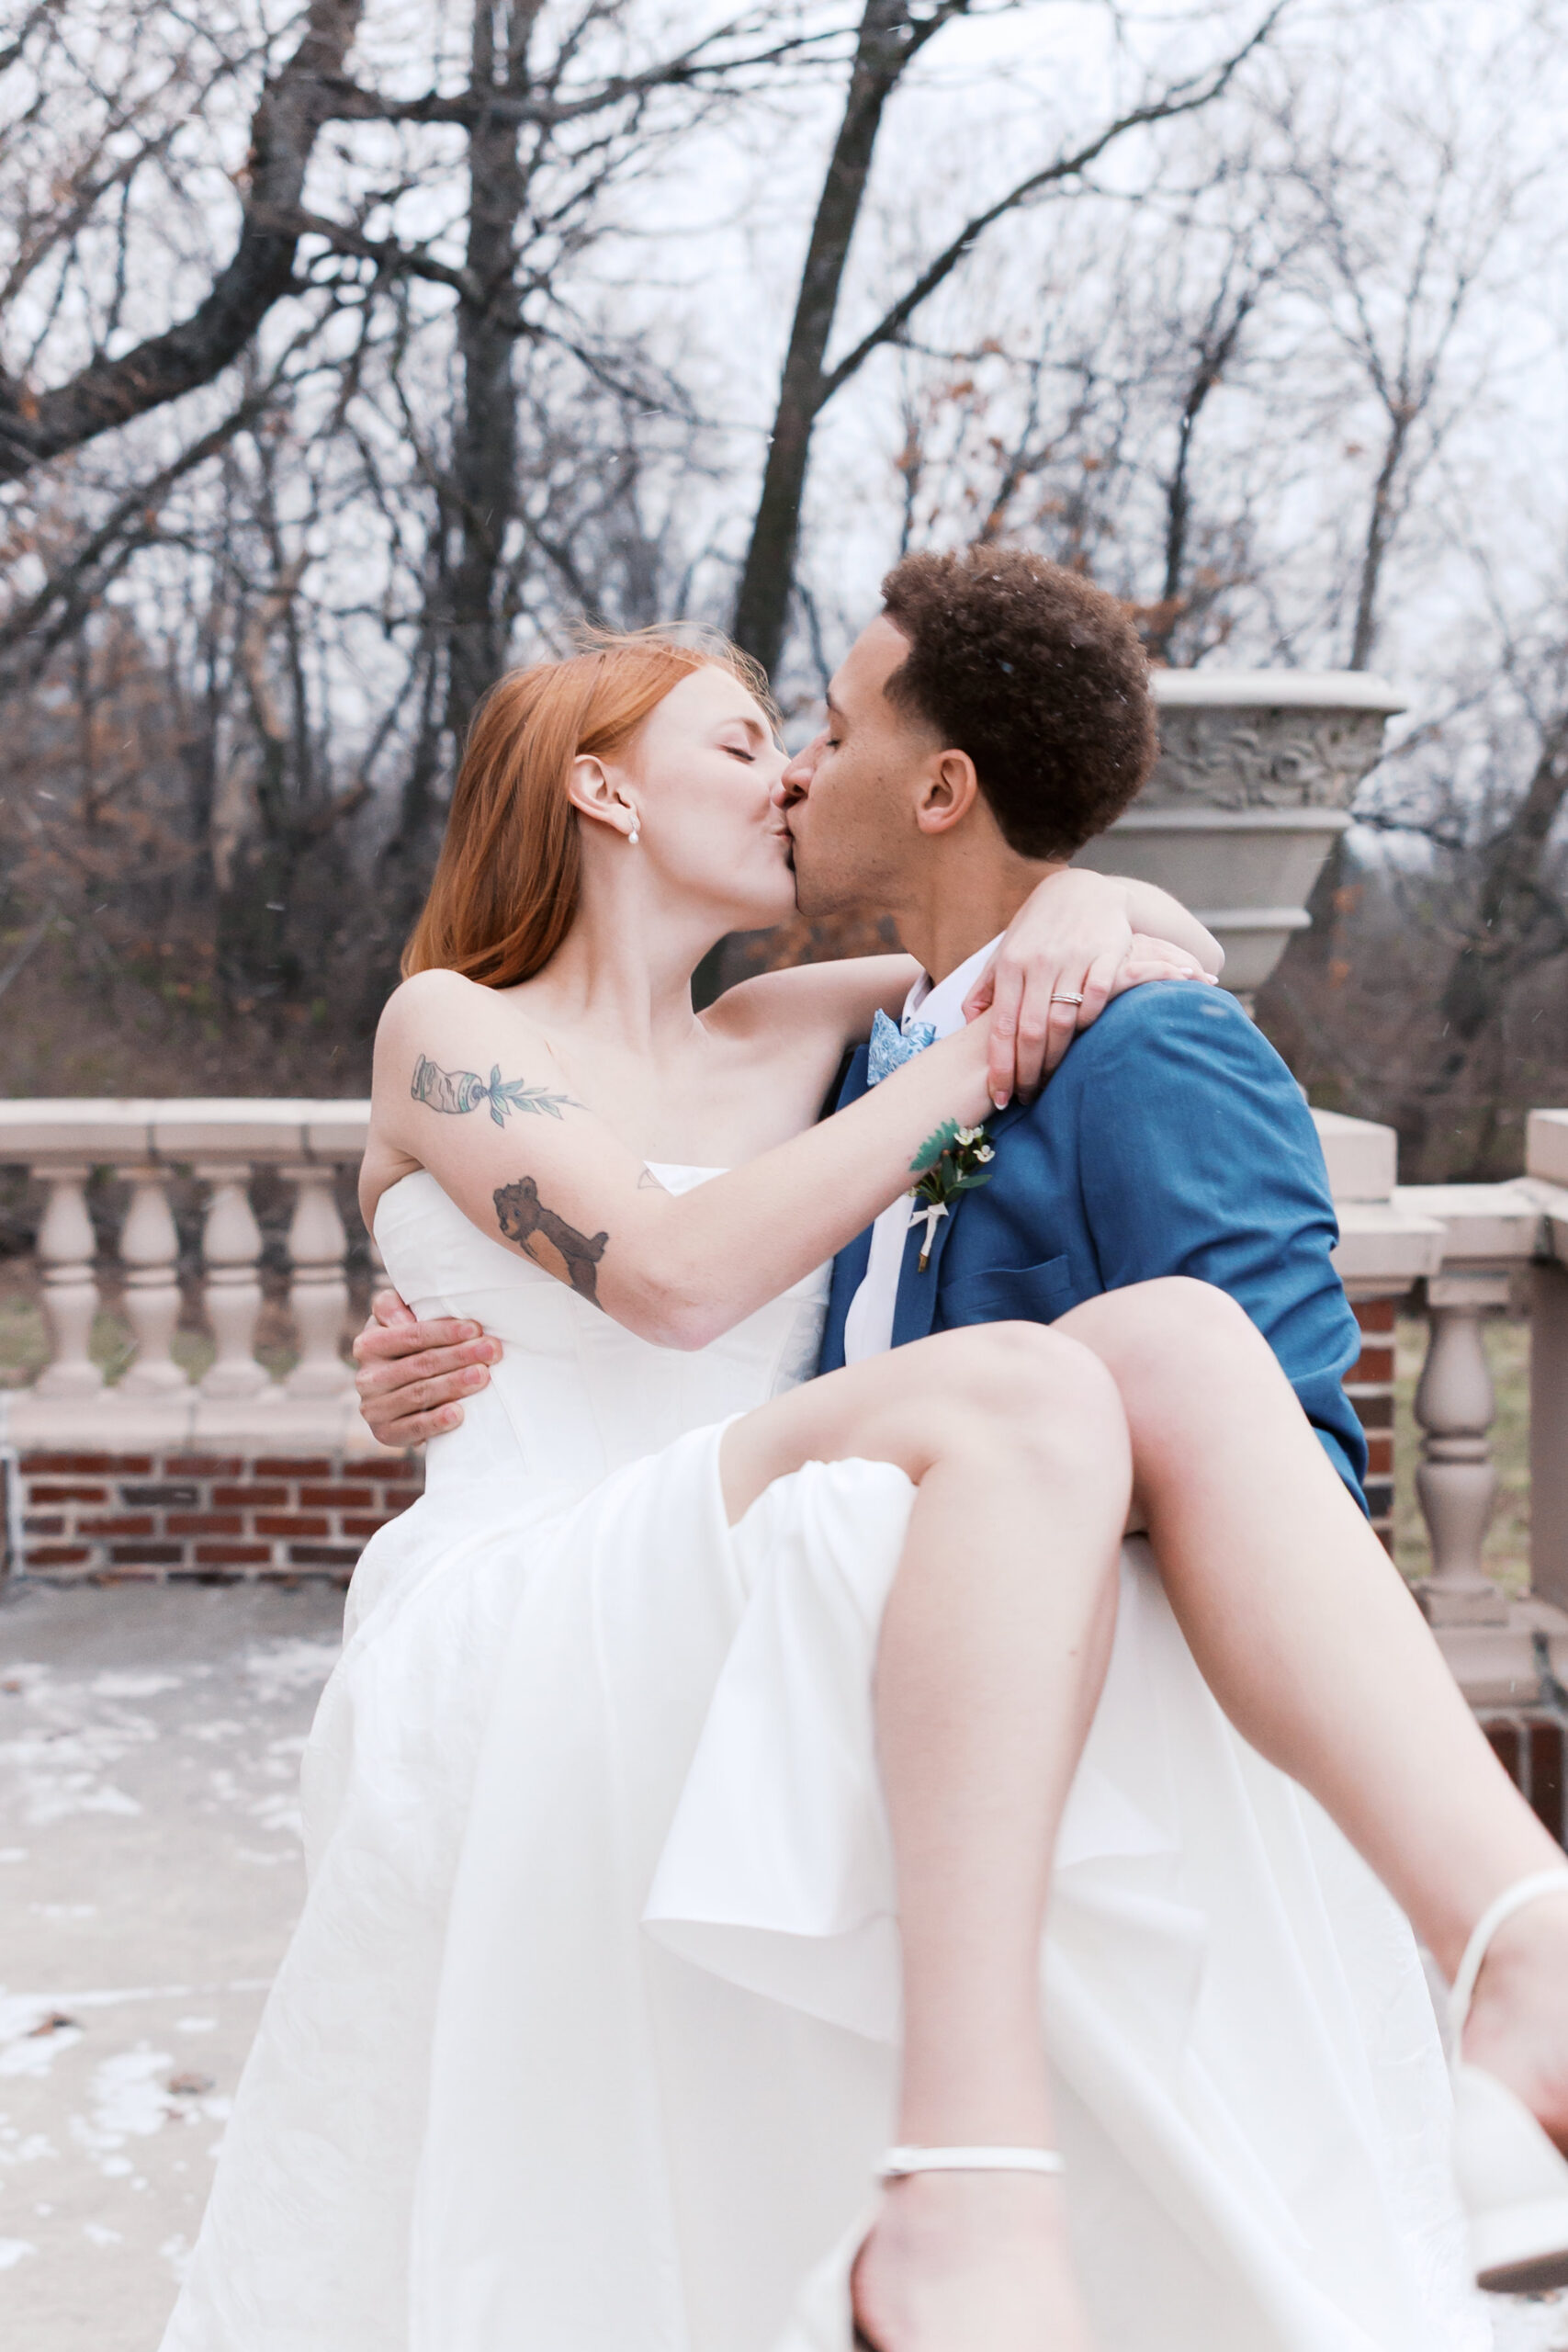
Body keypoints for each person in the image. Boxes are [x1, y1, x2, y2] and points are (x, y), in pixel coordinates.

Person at [164, 567, 1563, 2352]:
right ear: (601, 787)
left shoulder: (797, 1031)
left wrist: (1105, 905)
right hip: (540, 1570)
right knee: (1036, 1393)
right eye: (747, 741)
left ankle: (1520, 1938)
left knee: (1172, 1351)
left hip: (749, 1538)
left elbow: (1030, 912)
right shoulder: (450, 1022)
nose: (782, 775)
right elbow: (670, 1276)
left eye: (811, 739)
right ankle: (965, 2166)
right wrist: (977, 1057)